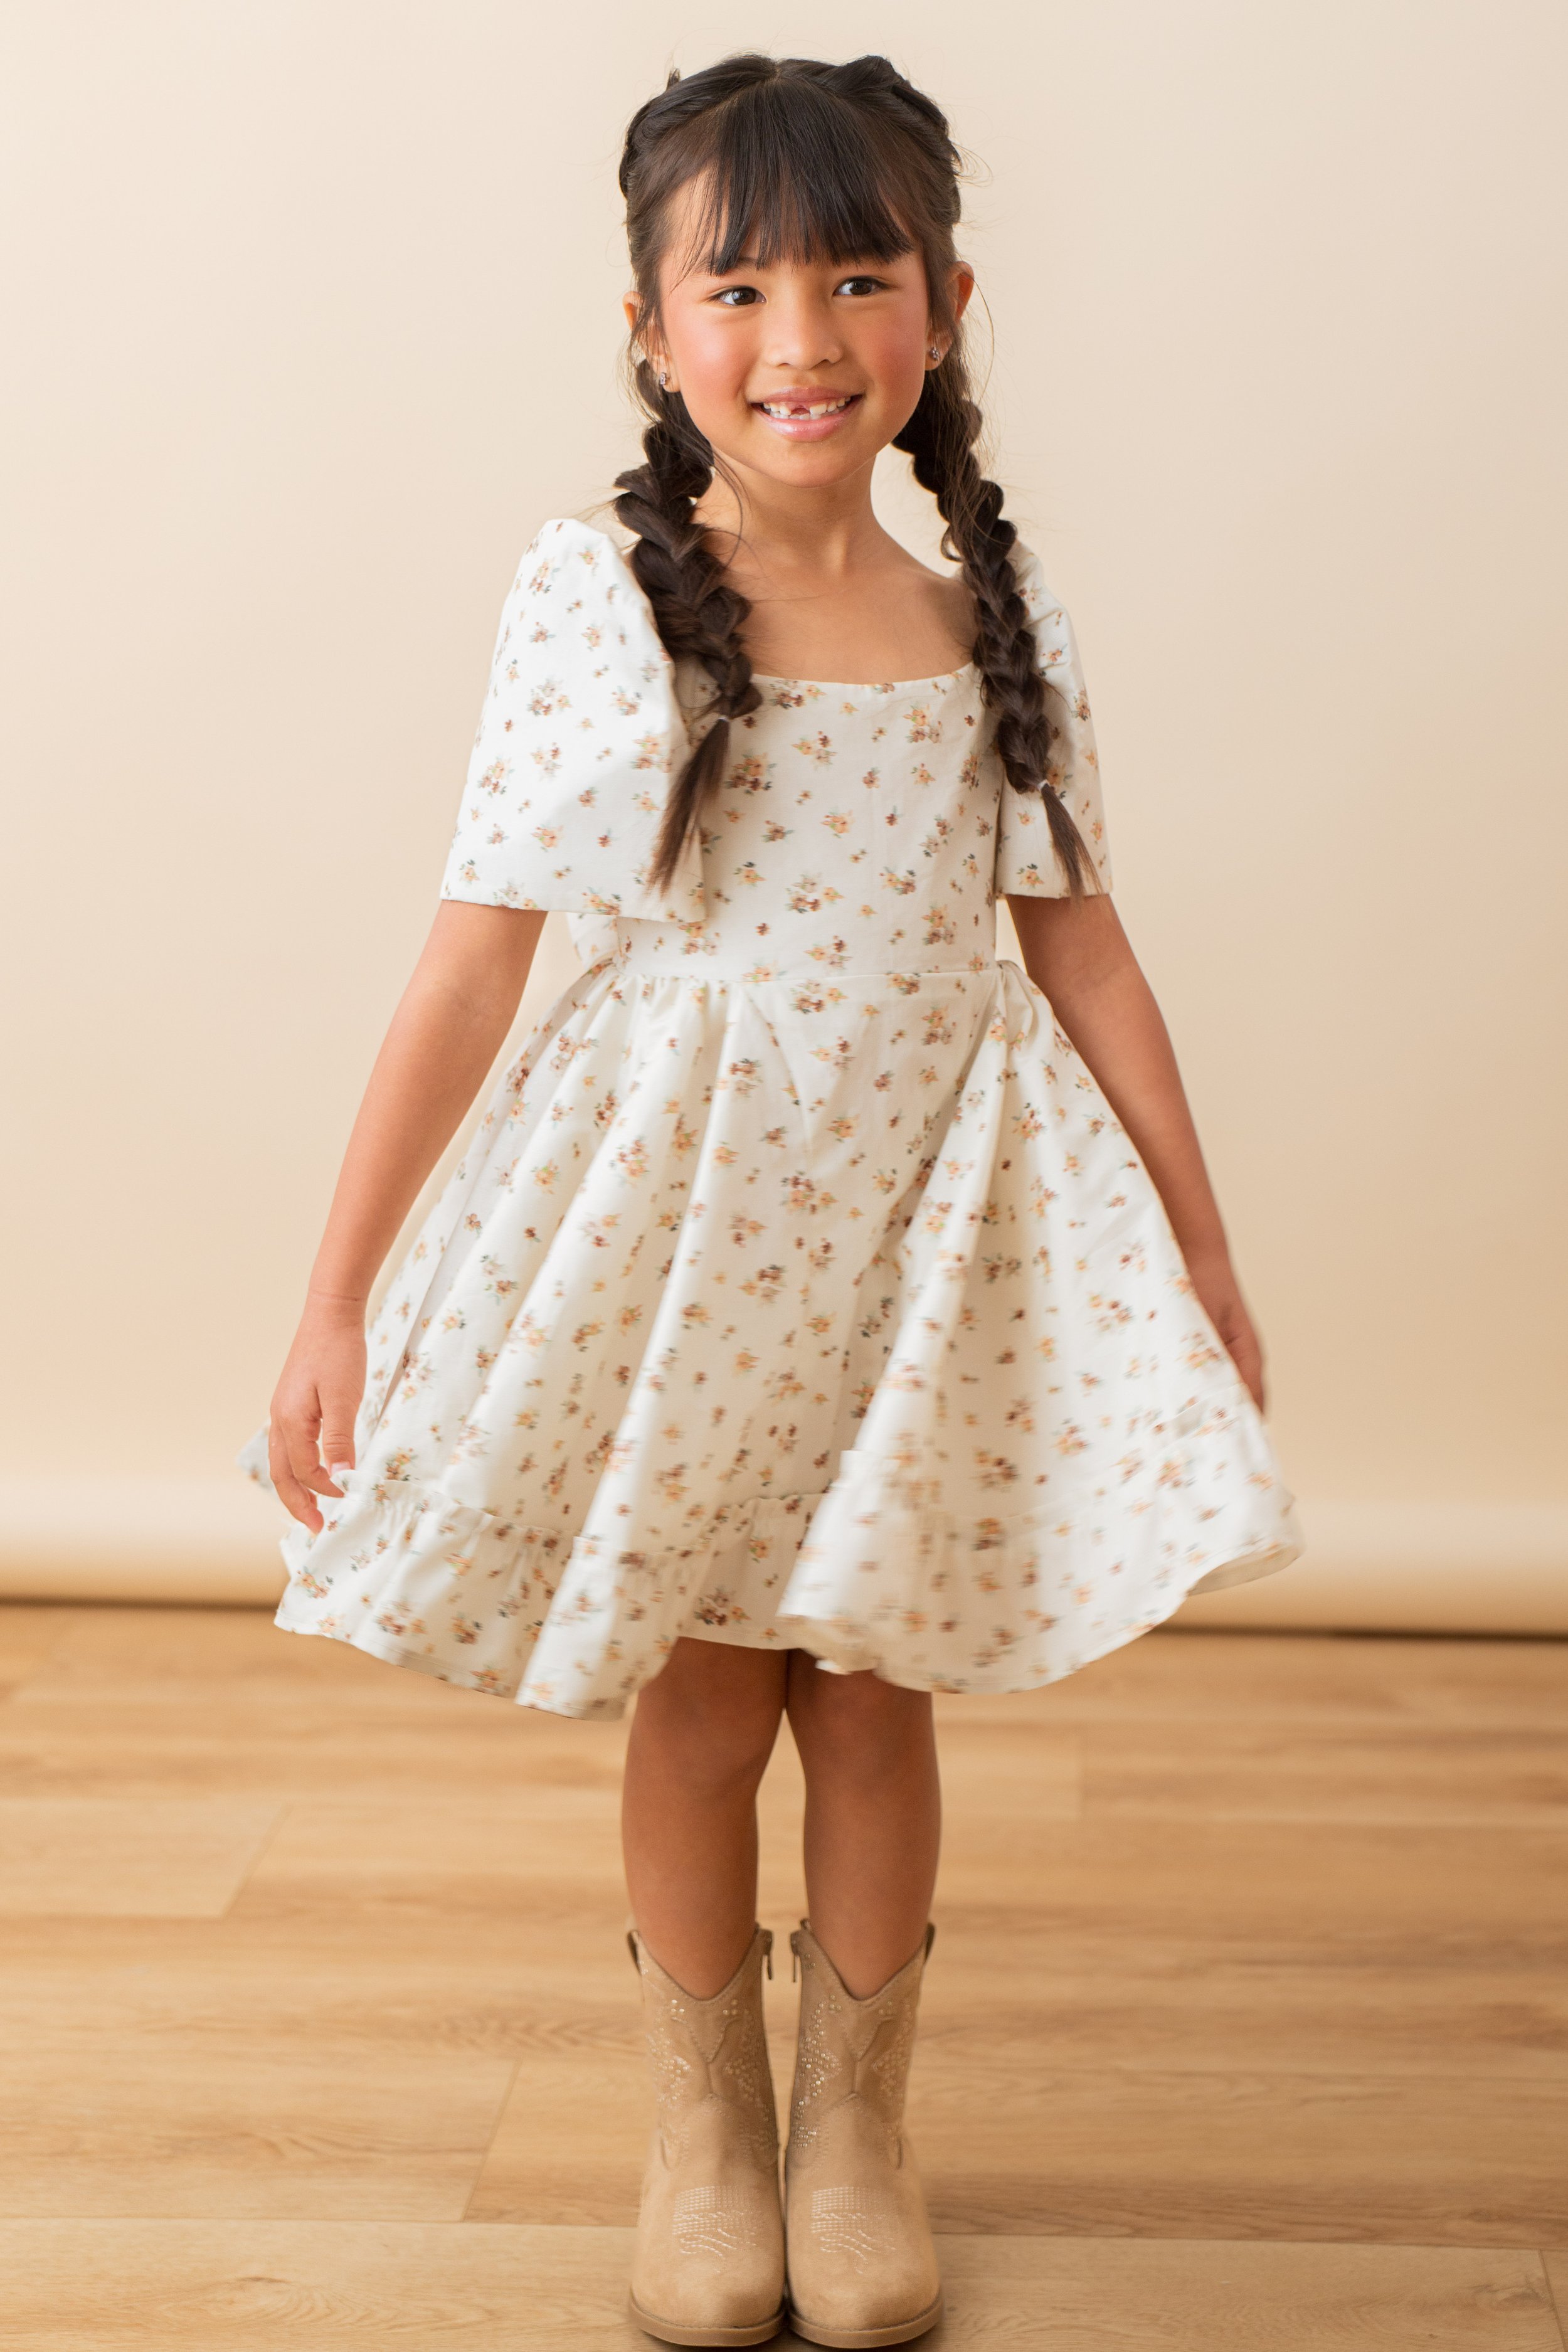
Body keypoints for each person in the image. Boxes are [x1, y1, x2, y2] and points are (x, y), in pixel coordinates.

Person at [246, 51, 1301, 2349]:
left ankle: (854, 2135)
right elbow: (474, 955)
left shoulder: (987, 614)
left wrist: (1198, 1249)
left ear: (945, 304)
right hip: (697, 1237)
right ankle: (705, 2128)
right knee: (712, 1691)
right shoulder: (604, 595)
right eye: (734, 289)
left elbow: (1080, 947)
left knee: (877, 1689)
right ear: (650, 329)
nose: (800, 337)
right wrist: (337, 1297)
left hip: (928, 1233)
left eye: (855, 278)